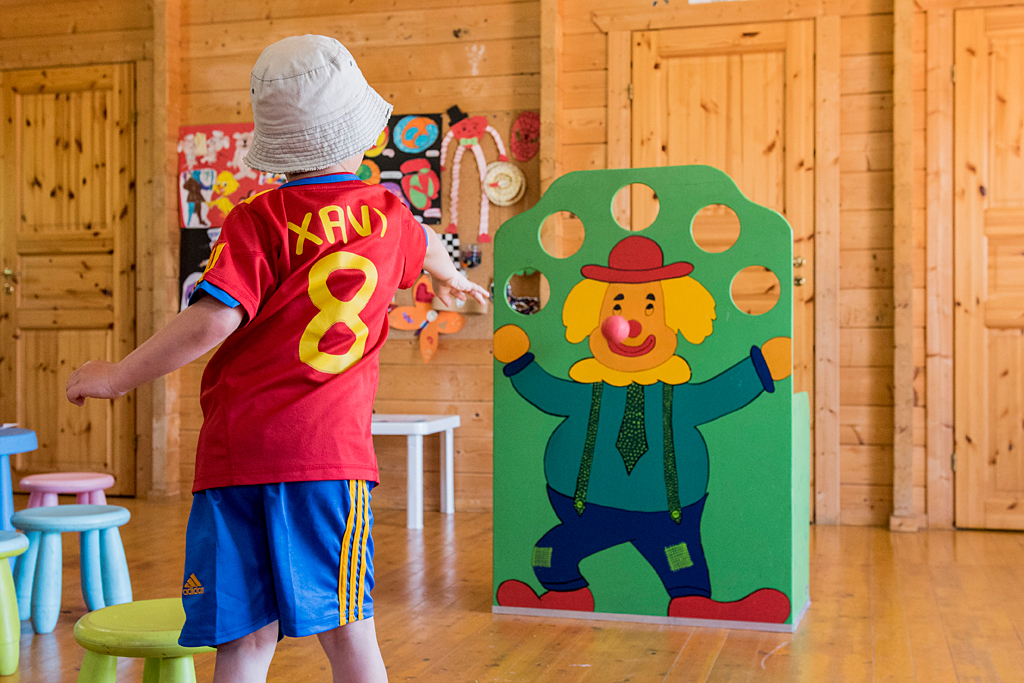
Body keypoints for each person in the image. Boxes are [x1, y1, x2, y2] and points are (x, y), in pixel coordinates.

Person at [65, 35, 487, 683]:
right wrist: (451, 275)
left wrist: (118, 375)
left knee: (243, 639)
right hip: (328, 462)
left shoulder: (256, 218)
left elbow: (213, 317)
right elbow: (425, 239)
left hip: (236, 456)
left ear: (281, 148)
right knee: (350, 634)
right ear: (364, 134)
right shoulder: (387, 214)